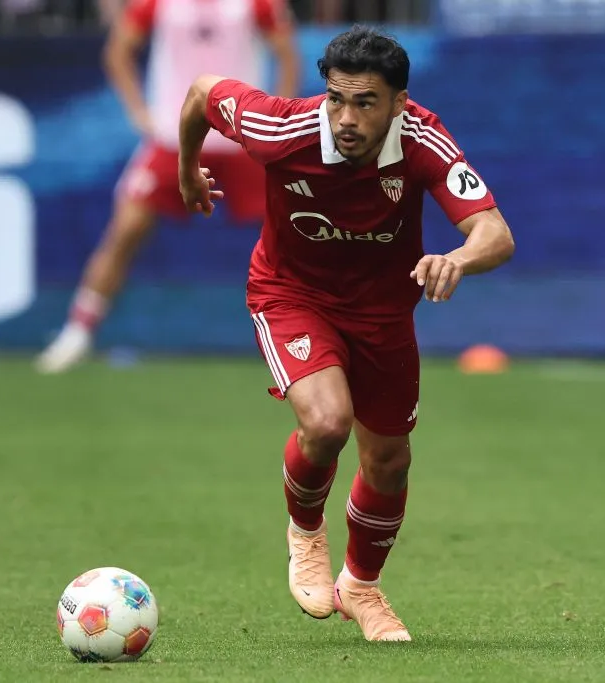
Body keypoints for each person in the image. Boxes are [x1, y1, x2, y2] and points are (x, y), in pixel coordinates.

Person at [177, 26, 515, 641]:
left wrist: (458, 259)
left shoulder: (422, 139)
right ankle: (306, 534)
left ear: (399, 104)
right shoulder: (281, 129)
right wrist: (187, 170)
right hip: (291, 295)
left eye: (365, 102)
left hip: (382, 312)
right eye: (336, 98)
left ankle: (361, 587)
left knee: (389, 459)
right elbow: (203, 92)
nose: (346, 117)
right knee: (328, 423)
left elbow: (495, 232)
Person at [36, 0, 299, 373]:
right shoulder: (157, 3)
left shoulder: (256, 4)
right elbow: (118, 51)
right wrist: (139, 112)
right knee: (126, 229)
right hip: (174, 139)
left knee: (295, 233)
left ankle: (323, 330)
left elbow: (287, 54)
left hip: (242, 140)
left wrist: (274, 119)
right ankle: (78, 331)